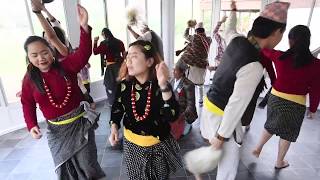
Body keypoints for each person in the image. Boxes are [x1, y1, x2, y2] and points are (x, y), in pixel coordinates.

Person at [198, 2, 289, 180]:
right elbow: (236, 104)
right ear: (277, 32)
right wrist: (221, 137)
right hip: (223, 121)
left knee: (217, 159)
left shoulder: (236, 40)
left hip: (209, 109)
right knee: (227, 172)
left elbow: (229, 29)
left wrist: (233, 12)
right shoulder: (254, 65)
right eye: (282, 34)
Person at [21, 4, 105, 179]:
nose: (40, 58)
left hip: (79, 123)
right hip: (56, 131)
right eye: (34, 55)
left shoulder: (66, 66)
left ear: (52, 52)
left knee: (87, 164)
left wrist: (84, 27)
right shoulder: (29, 80)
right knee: (65, 167)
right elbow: (27, 103)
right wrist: (32, 125)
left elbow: (83, 54)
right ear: (28, 57)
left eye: (44, 53)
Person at [108, 40, 182, 179]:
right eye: (127, 56)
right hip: (132, 145)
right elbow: (117, 108)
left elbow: (172, 115)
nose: (128, 61)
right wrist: (114, 127)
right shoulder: (124, 85)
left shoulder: (161, 86)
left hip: (158, 146)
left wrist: (163, 85)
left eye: (134, 56)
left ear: (149, 62)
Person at [253, 25, 320, 169]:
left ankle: (257, 148)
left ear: (290, 40)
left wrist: (261, 37)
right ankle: (279, 162)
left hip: (275, 98)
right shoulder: (316, 64)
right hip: (295, 104)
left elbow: (264, 49)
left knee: (271, 124)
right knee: (288, 133)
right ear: (308, 41)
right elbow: (316, 90)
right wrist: (313, 109)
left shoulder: (279, 56)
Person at [177, 22, 212, 107]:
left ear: (196, 32)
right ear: (203, 31)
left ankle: (179, 93)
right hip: (203, 65)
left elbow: (185, 35)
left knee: (181, 73)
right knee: (200, 84)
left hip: (193, 64)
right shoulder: (209, 39)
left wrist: (188, 27)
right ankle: (200, 101)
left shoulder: (194, 38)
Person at [93, 28, 125, 106]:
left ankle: (113, 102)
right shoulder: (119, 42)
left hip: (110, 67)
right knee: (121, 84)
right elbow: (124, 54)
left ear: (104, 34)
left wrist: (95, 41)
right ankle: (123, 100)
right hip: (120, 65)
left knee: (109, 85)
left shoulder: (103, 44)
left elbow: (95, 52)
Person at [169, 61, 198, 140]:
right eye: (172, 69)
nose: (173, 72)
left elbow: (190, 106)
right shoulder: (171, 81)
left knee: (179, 134)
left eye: (175, 70)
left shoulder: (189, 85)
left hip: (185, 114)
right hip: (175, 110)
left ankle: (188, 125)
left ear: (182, 73)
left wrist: (181, 117)